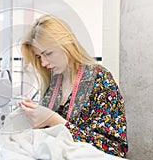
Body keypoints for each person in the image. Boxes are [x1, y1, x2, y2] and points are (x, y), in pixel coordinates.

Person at [19, 15, 128, 158]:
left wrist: (55, 120)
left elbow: (115, 149)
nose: (44, 63)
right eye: (39, 57)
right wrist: (33, 114)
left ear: (66, 45)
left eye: (48, 53)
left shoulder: (100, 80)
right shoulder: (54, 83)